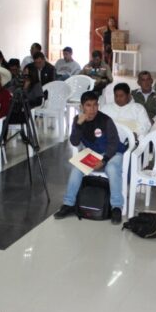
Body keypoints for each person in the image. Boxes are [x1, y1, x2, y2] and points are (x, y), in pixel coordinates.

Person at [54, 91, 125, 225]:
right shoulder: (78, 120)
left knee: (112, 169)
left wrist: (104, 160)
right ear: (82, 107)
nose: (92, 109)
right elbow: (74, 142)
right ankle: (68, 204)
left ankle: (116, 207)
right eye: (88, 105)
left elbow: (114, 143)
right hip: (92, 154)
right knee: (76, 169)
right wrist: (79, 125)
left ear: (98, 105)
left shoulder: (105, 120)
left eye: (95, 105)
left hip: (113, 153)